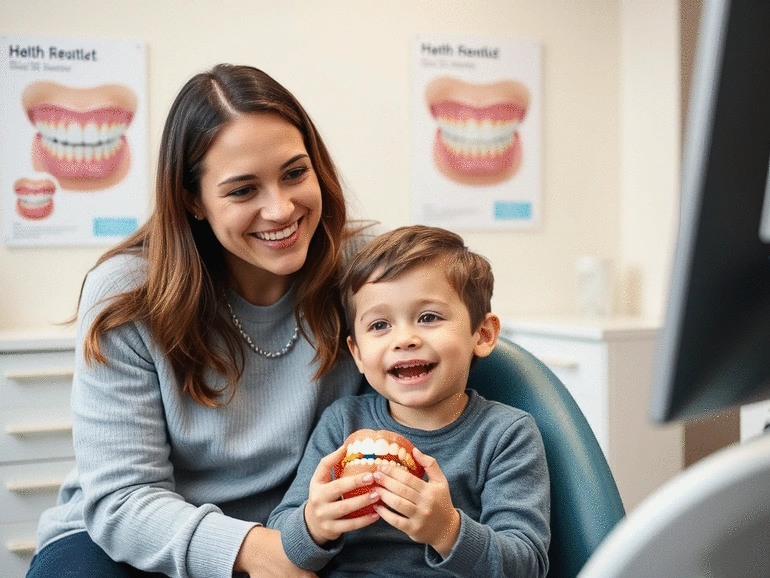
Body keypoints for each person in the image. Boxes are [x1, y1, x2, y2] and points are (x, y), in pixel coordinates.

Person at [26, 64, 376, 578]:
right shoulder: (128, 294)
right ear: (193, 200)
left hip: (298, 535)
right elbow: (124, 501)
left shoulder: (363, 272)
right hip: (131, 542)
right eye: (242, 191)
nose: (280, 209)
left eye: (295, 173)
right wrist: (262, 553)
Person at [267, 225, 551, 577]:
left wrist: (447, 530)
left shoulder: (506, 435)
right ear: (356, 353)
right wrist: (313, 523)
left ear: (483, 334)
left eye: (428, 317)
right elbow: (279, 539)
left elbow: (527, 566)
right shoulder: (342, 422)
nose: (404, 339)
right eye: (380, 325)